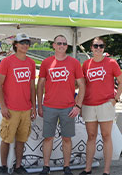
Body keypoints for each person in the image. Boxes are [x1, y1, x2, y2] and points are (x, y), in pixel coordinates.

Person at [37, 35, 85, 175]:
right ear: (53, 45)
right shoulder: (46, 63)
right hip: (49, 106)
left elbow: (82, 85)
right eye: (59, 43)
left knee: (67, 138)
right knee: (48, 137)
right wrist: (39, 105)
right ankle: (46, 166)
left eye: (64, 43)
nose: (62, 45)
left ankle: (66, 166)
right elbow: (40, 85)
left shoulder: (74, 63)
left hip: (68, 107)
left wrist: (78, 106)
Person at [79, 37, 122, 175]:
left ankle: (106, 170)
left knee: (106, 136)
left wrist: (115, 99)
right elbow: (81, 84)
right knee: (91, 136)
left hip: (106, 104)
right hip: (89, 105)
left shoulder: (111, 62)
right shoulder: (86, 64)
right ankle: (88, 169)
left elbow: (121, 82)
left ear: (104, 48)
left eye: (101, 46)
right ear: (91, 48)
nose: (98, 48)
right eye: (96, 46)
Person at [0, 33, 37, 175]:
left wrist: (34, 107)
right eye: (22, 42)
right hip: (11, 109)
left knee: (21, 139)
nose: (25, 45)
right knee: (6, 139)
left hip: (26, 109)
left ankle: (18, 166)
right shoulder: (7, 62)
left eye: (27, 43)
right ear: (16, 45)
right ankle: (3, 166)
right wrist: (3, 106)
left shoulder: (31, 63)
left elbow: (32, 86)